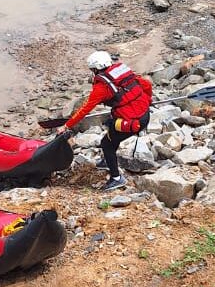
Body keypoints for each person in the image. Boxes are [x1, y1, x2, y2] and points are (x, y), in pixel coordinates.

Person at [64, 50, 153, 191]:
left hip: (132, 122)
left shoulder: (101, 87)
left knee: (106, 144)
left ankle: (116, 178)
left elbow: (85, 109)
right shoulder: (121, 72)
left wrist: (66, 125)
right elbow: (146, 85)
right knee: (111, 132)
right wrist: (148, 101)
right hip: (144, 114)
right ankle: (107, 160)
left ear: (95, 69)